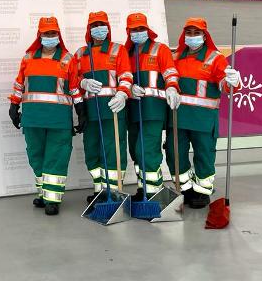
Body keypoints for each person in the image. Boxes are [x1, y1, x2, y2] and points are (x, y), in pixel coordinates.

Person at [8, 16, 86, 216]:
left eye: (53, 33)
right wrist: (13, 105)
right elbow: (19, 84)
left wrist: (81, 110)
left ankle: (53, 199)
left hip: (58, 120)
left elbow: (74, 88)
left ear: (58, 35)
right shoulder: (28, 58)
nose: (50, 36)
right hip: (32, 119)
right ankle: (44, 194)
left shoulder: (67, 59)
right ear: (40, 35)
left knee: (56, 158)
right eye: (46, 33)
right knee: (36, 156)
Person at [166, 18, 241, 209]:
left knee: (204, 156)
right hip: (178, 118)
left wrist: (233, 81)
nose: (192, 36)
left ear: (205, 36)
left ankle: (202, 191)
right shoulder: (175, 56)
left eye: (196, 33)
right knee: (175, 154)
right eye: (189, 33)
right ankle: (185, 188)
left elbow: (225, 85)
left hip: (204, 120)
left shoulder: (215, 58)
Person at [74, 11, 132, 204]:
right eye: (94, 25)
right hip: (90, 111)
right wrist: (82, 82)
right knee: (91, 150)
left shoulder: (118, 50)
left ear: (108, 28)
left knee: (113, 150)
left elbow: (126, 76)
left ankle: (113, 192)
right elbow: (72, 79)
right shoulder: (81, 53)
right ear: (89, 29)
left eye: (102, 24)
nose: (98, 28)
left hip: (113, 110)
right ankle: (99, 190)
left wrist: (122, 93)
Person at [125, 13, 180, 200]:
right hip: (133, 110)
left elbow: (170, 73)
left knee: (147, 150)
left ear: (147, 30)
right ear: (128, 31)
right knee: (135, 151)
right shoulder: (127, 52)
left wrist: (172, 87)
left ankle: (153, 192)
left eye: (141, 28)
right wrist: (128, 89)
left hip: (153, 110)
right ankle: (144, 188)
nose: (138, 32)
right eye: (134, 29)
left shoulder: (160, 49)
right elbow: (121, 77)